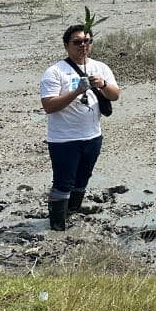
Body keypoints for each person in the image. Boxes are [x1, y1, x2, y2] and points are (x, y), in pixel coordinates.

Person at [39, 24, 120, 230]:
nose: (83, 45)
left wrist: (102, 84)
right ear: (66, 45)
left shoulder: (101, 68)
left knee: (82, 179)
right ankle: (57, 226)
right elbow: (49, 106)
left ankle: (72, 214)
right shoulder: (55, 72)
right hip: (64, 140)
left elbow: (115, 95)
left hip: (92, 136)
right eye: (77, 42)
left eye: (87, 41)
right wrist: (76, 91)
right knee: (63, 183)